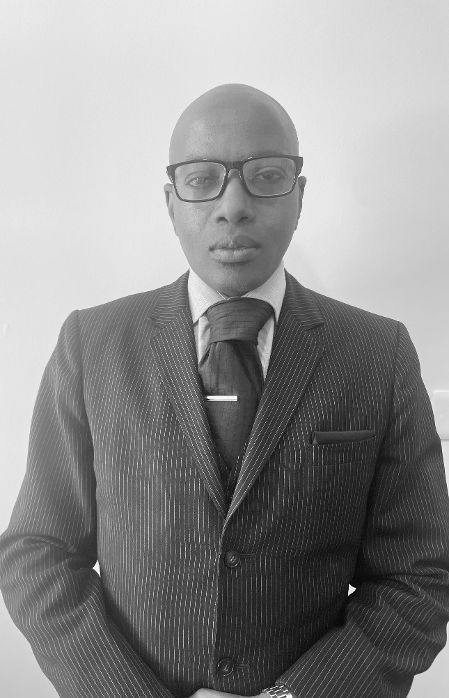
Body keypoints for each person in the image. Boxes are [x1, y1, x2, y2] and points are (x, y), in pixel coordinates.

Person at [1, 83, 448, 698]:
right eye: (202, 179)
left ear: (299, 195)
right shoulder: (92, 344)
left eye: (266, 176)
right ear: (170, 202)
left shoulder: (377, 353)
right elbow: (39, 550)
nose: (233, 206)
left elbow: (420, 575)